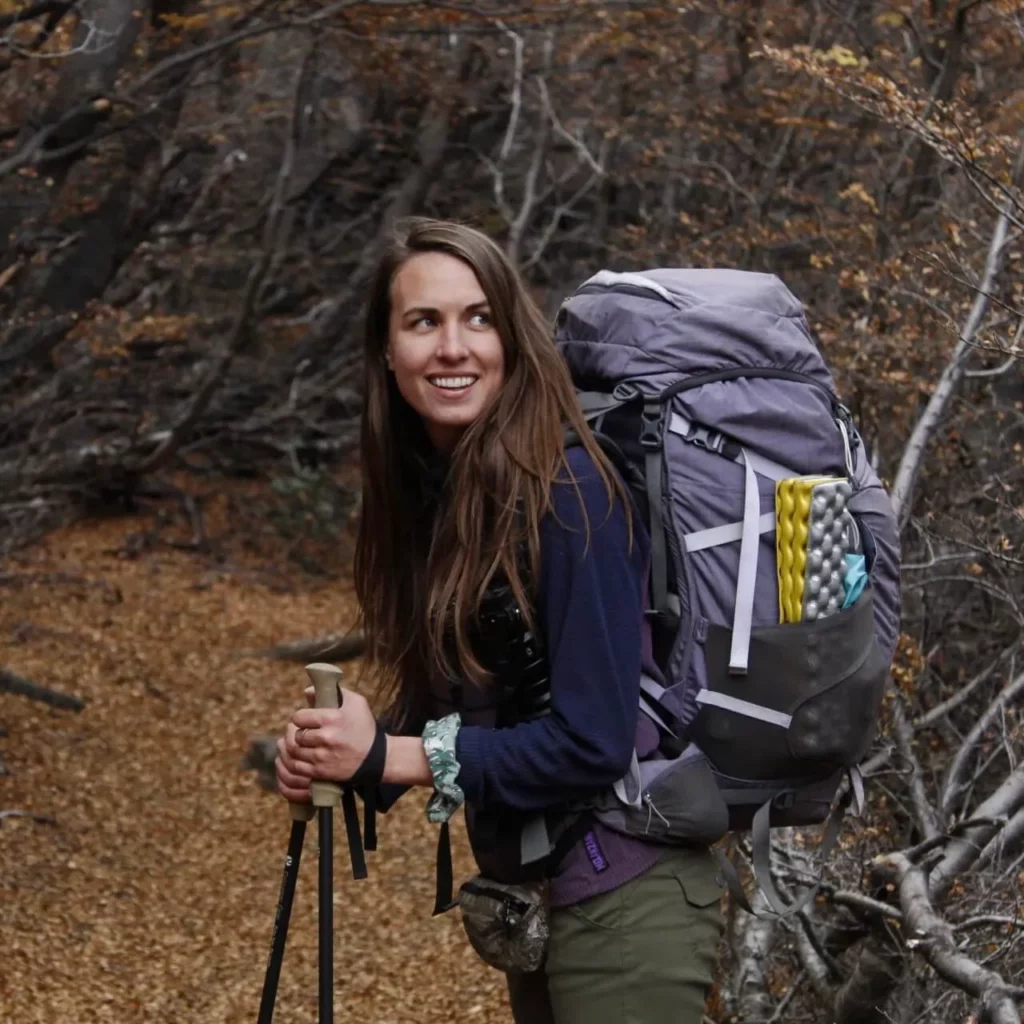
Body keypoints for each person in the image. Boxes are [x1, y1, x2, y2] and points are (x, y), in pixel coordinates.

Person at [274, 217, 724, 1023]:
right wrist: (347, 756)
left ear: (512, 337)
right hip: (548, 897)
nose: (454, 347)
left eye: (478, 318)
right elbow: (475, 686)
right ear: (386, 349)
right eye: (424, 322)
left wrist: (396, 753)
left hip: (627, 900)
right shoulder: (452, 490)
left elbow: (592, 739)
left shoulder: (570, 492)